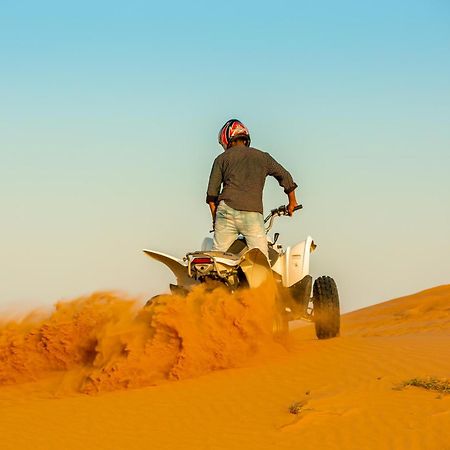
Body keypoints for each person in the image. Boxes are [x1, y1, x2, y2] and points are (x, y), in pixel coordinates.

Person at [206, 119, 299, 258]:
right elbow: (285, 177)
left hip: (226, 212)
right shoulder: (263, 157)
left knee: (218, 260)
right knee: (260, 260)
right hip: (252, 215)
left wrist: (216, 221)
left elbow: (212, 196)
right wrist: (292, 202)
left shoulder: (221, 159)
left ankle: (211, 279)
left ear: (227, 139)